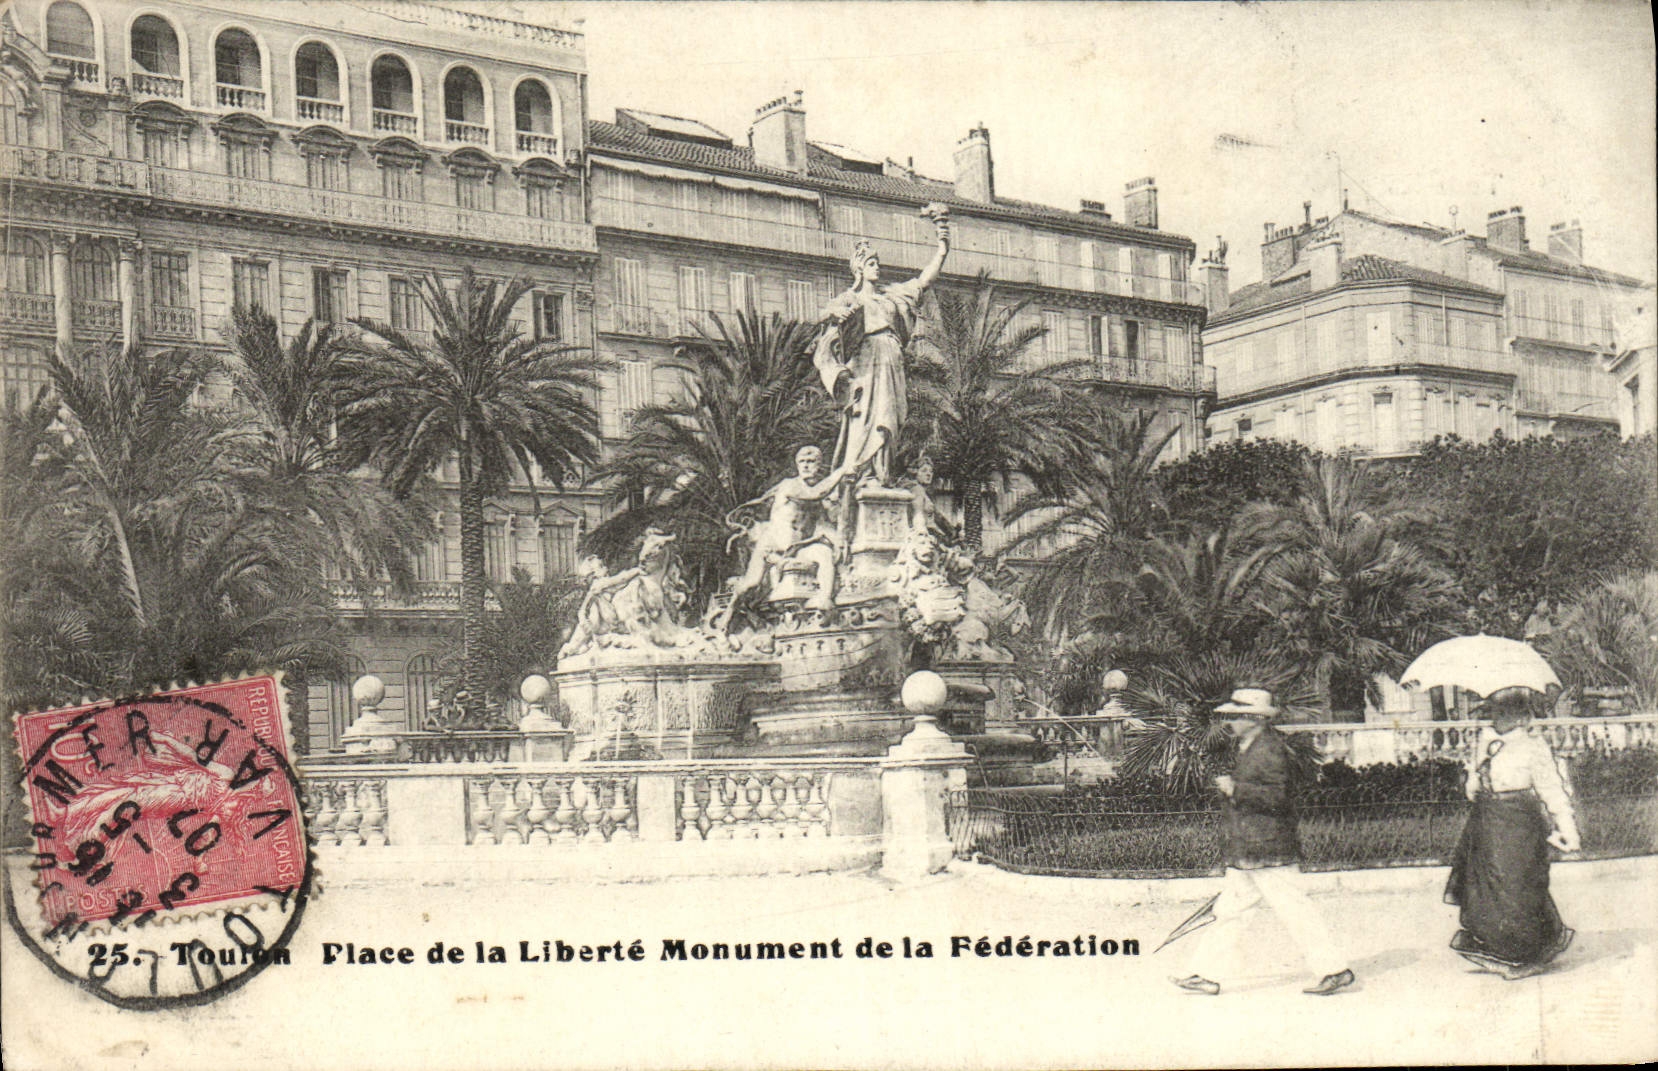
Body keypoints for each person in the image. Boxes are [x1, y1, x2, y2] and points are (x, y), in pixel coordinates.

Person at [1171, 687, 1355, 997]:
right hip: (1251, 848)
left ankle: (1335, 970)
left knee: (1294, 910)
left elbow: (1278, 797)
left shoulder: (1270, 749)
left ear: (1255, 718)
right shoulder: (1250, 746)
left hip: (1268, 849)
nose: (1229, 721)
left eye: (1237, 716)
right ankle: (1204, 974)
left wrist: (1234, 789)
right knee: (1231, 912)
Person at [1444, 686, 1579, 979]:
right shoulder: (1485, 741)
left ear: (1520, 715)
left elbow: (1551, 789)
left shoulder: (1533, 746)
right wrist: (1473, 780)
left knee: (1517, 887)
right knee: (1485, 888)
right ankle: (1498, 949)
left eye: (1504, 712)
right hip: (1486, 822)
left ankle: (1524, 955)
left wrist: (1567, 827)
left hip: (1520, 823)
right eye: (1494, 711)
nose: (1497, 718)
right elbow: (1473, 788)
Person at [813, 207, 951, 488]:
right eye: (872, 263)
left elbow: (923, 281)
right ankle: (863, 474)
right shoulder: (850, 298)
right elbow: (824, 317)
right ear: (860, 269)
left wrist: (942, 249)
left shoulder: (891, 296)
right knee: (869, 415)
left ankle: (882, 474)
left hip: (892, 358)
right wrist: (836, 314)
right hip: (867, 359)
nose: (877, 267)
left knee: (892, 416)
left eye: (877, 263)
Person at [714, 445, 847, 631]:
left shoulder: (817, 500)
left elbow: (824, 523)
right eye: (802, 462)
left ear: (819, 465)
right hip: (773, 545)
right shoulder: (790, 485)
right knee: (751, 584)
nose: (806, 466)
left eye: (811, 462)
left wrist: (839, 541)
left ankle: (825, 602)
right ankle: (730, 610)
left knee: (824, 554)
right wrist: (842, 471)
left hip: (798, 547)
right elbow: (815, 493)